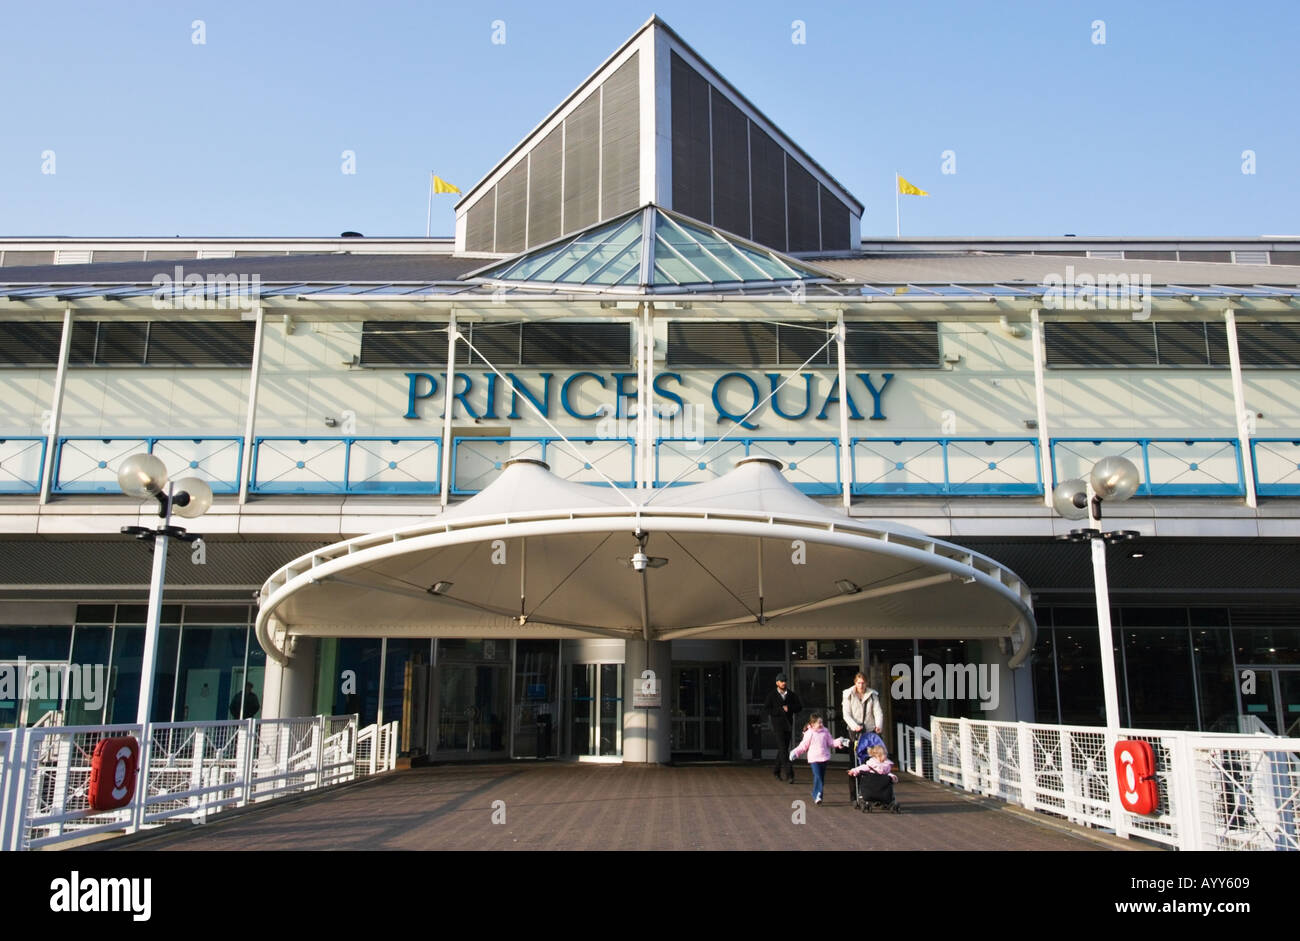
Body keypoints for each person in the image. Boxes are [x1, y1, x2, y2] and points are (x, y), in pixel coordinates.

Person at [840, 672, 883, 802]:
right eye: (859, 682)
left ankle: (867, 793)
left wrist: (878, 725)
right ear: (855, 683)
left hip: (869, 731)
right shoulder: (848, 695)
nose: (861, 685)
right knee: (854, 763)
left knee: (869, 763)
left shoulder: (872, 695)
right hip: (855, 732)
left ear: (867, 683)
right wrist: (854, 726)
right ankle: (853, 794)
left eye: (863, 683)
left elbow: (878, 711)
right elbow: (846, 714)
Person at [788, 713, 849, 805]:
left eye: (821, 722)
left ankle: (815, 793)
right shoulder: (809, 733)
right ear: (812, 724)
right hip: (814, 759)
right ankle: (818, 796)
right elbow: (803, 746)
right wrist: (795, 752)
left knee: (821, 778)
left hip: (824, 758)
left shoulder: (825, 731)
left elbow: (831, 742)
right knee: (818, 776)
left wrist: (840, 741)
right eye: (819, 723)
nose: (821, 724)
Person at [763, 673, 802, 783]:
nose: (783, 683)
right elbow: (766, 709)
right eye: (781, 681)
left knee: (783, 748)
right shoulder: (772, 695)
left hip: (788, 725)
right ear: (777, 683)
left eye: (785, 681)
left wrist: (789, 708)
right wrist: (779, 710)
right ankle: (790, 774)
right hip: (777, 725)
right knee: (784, 750)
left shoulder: (791, 694)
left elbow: (799, 707)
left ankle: (776, 771)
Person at [848, 744, 900, 812]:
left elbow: (888, 774)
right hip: (872, 786)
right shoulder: (871, 764)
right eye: (885, 754)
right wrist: (853, 771)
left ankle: (888, 803)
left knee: (887, 780)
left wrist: (893, 777)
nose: (886, 756)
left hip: (881, 787)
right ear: (878, 756)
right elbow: (861, 768)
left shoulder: (886, 766)